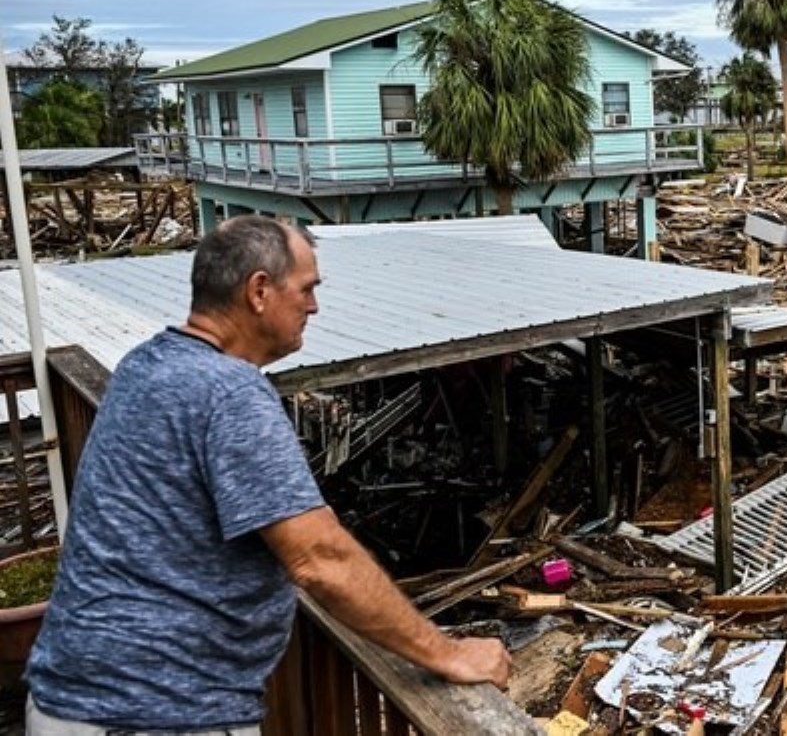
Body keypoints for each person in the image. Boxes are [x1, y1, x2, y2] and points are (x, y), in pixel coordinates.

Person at [26, 216, 511, 734]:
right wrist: (448, 654)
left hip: (72, 699)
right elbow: (319, 557)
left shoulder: (145, 365)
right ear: (259, 290)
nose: (314, 306)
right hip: (156, 713)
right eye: (306, 289)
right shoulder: (229, 392)